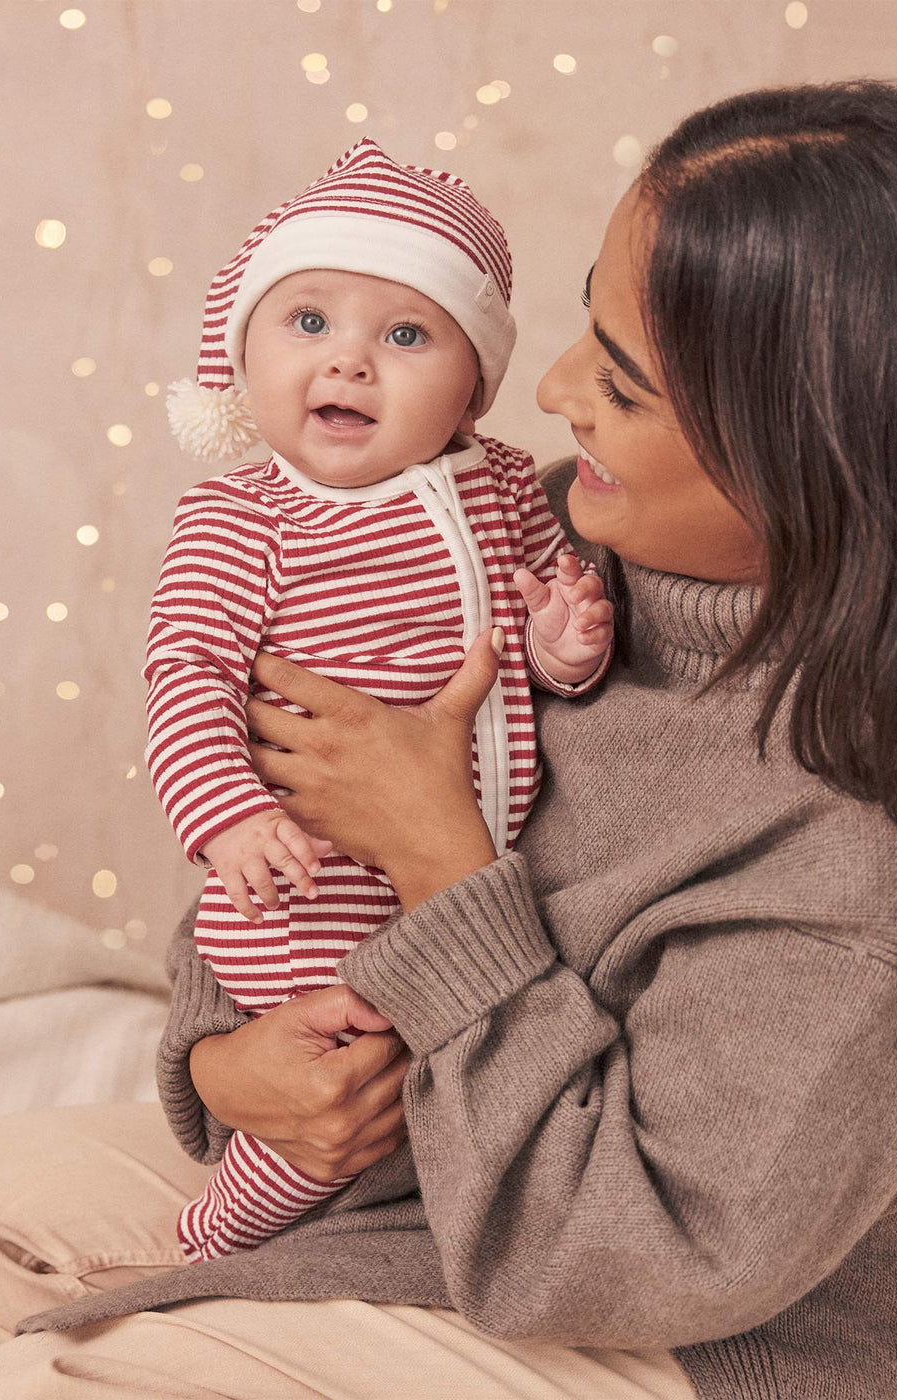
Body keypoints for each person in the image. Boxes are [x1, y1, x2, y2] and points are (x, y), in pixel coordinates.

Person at [0, 79, 897, 1399]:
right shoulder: (535, 545)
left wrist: (442, 856)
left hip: (673, 1334)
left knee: (44, 1380)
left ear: (821, 458)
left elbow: (607, 1258)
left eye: (623, 385)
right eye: (587, 325)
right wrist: (233, 1064)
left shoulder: (865, 838)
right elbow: (279, 847)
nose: (556, 389)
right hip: (435, 1185)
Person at [144, 138, 613, 1260]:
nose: (348, 364)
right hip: (310, 884)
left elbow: (542, 646)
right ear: (242, 352)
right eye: (307, 322)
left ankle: (391, 1229)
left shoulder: (501, 483)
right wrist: (231, 816)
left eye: (405, 335)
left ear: (471, 386)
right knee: (341, 1064)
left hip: (472, 870)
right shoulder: (241, 519)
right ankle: (228, 1228)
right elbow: (187, 680)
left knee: (425, 1068)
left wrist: (562, 645)